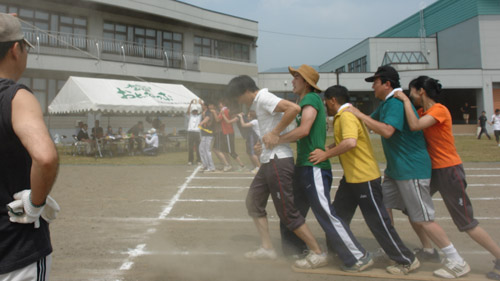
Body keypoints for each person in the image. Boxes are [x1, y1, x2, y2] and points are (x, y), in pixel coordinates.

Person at [345, 66, 470, 279]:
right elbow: (369, 124)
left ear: (387, 84)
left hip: (411, 169)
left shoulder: (395, 103)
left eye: (374, 82)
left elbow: (385, 130)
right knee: (383, 208)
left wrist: (356, 112)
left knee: (422, 218)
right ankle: (394, 249)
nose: (372, 86)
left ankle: (456, 260)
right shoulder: (387, 104)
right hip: (395, 170)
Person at [394, 76, 500, 280]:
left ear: (421, 91)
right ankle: (428, 250)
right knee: (413, 209)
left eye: (411, 92)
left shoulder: (439, 110)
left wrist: (405, 102)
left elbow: (415, 125)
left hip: (449, 170)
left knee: (466, 221)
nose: (410, 95)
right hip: (432, 170)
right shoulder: (423, 111)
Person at [309, 85, 419, 275]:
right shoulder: (343, 116)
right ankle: (341, 253)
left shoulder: (346, 116)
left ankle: (406, 259)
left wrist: (325, 155)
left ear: (333, 100)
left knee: (377, 221)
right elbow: (348, 139)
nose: (324, 105)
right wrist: (329, 148)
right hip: (351, 178)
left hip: (364, 177)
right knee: (338, 217)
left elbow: (350, 142)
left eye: (325, 101)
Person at [225, 75, 328, 270]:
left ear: (246, 92)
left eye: (238, 98)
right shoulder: (258, 103)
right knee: (254, 201)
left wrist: (275, 134)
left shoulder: (263, 97)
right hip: (268, 161)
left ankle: (318, 252)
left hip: (279, 161)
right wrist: (262, 143)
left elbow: (294, 108)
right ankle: (267, 248)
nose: (239, 103)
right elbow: (270, 128)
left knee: (287, 212)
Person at [278, 65, 373, 272]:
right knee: (294, 211)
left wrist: (276, 139)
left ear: (305, 82)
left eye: (296, 77)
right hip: (304, 165)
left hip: (314, 167)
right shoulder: (303, 101)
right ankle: (307, 251)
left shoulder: (310, 99)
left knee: (325, 213)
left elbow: (304, 130)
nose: (292, 81)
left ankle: (358, 256)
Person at [0, 13, 59, 280]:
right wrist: (35, 203)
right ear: (15, 49)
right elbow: (45, 158)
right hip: (15, 245)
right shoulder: (16, 97)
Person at [217, 100, 246, 171]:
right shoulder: (226, 110)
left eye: (220, 104)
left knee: (231, 151)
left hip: (228, 132)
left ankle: (242, 166)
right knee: (224, 150)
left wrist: (217, 113)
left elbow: (218, 119)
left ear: (223, 104)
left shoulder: (224, 110)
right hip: (226, 132)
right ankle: (229, 165)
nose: (218, 105)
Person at [198, 100, 216, 172]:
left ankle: (211, 167)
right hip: (204, 134)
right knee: (201, 149)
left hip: (209, 134)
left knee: (207, 150)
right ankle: (205, 165)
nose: (201, 106)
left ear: (205, 106)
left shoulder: (208, 112)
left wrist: (201, 123)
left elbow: (207, 118)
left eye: (202, 105)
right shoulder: (204, 112)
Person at [186, 99, 202, 165]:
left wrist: (200, 104)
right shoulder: (190, 116)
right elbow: (188, 112)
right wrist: (190, 103)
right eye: (193, 111)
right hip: (190, 132)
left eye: (195, 111)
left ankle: (198, 160)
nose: (194, 112)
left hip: (197, 132)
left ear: (197, 111)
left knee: (198, 147)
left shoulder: (199, 116)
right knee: (190, 147)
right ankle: (190, 160)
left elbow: (202, 111)